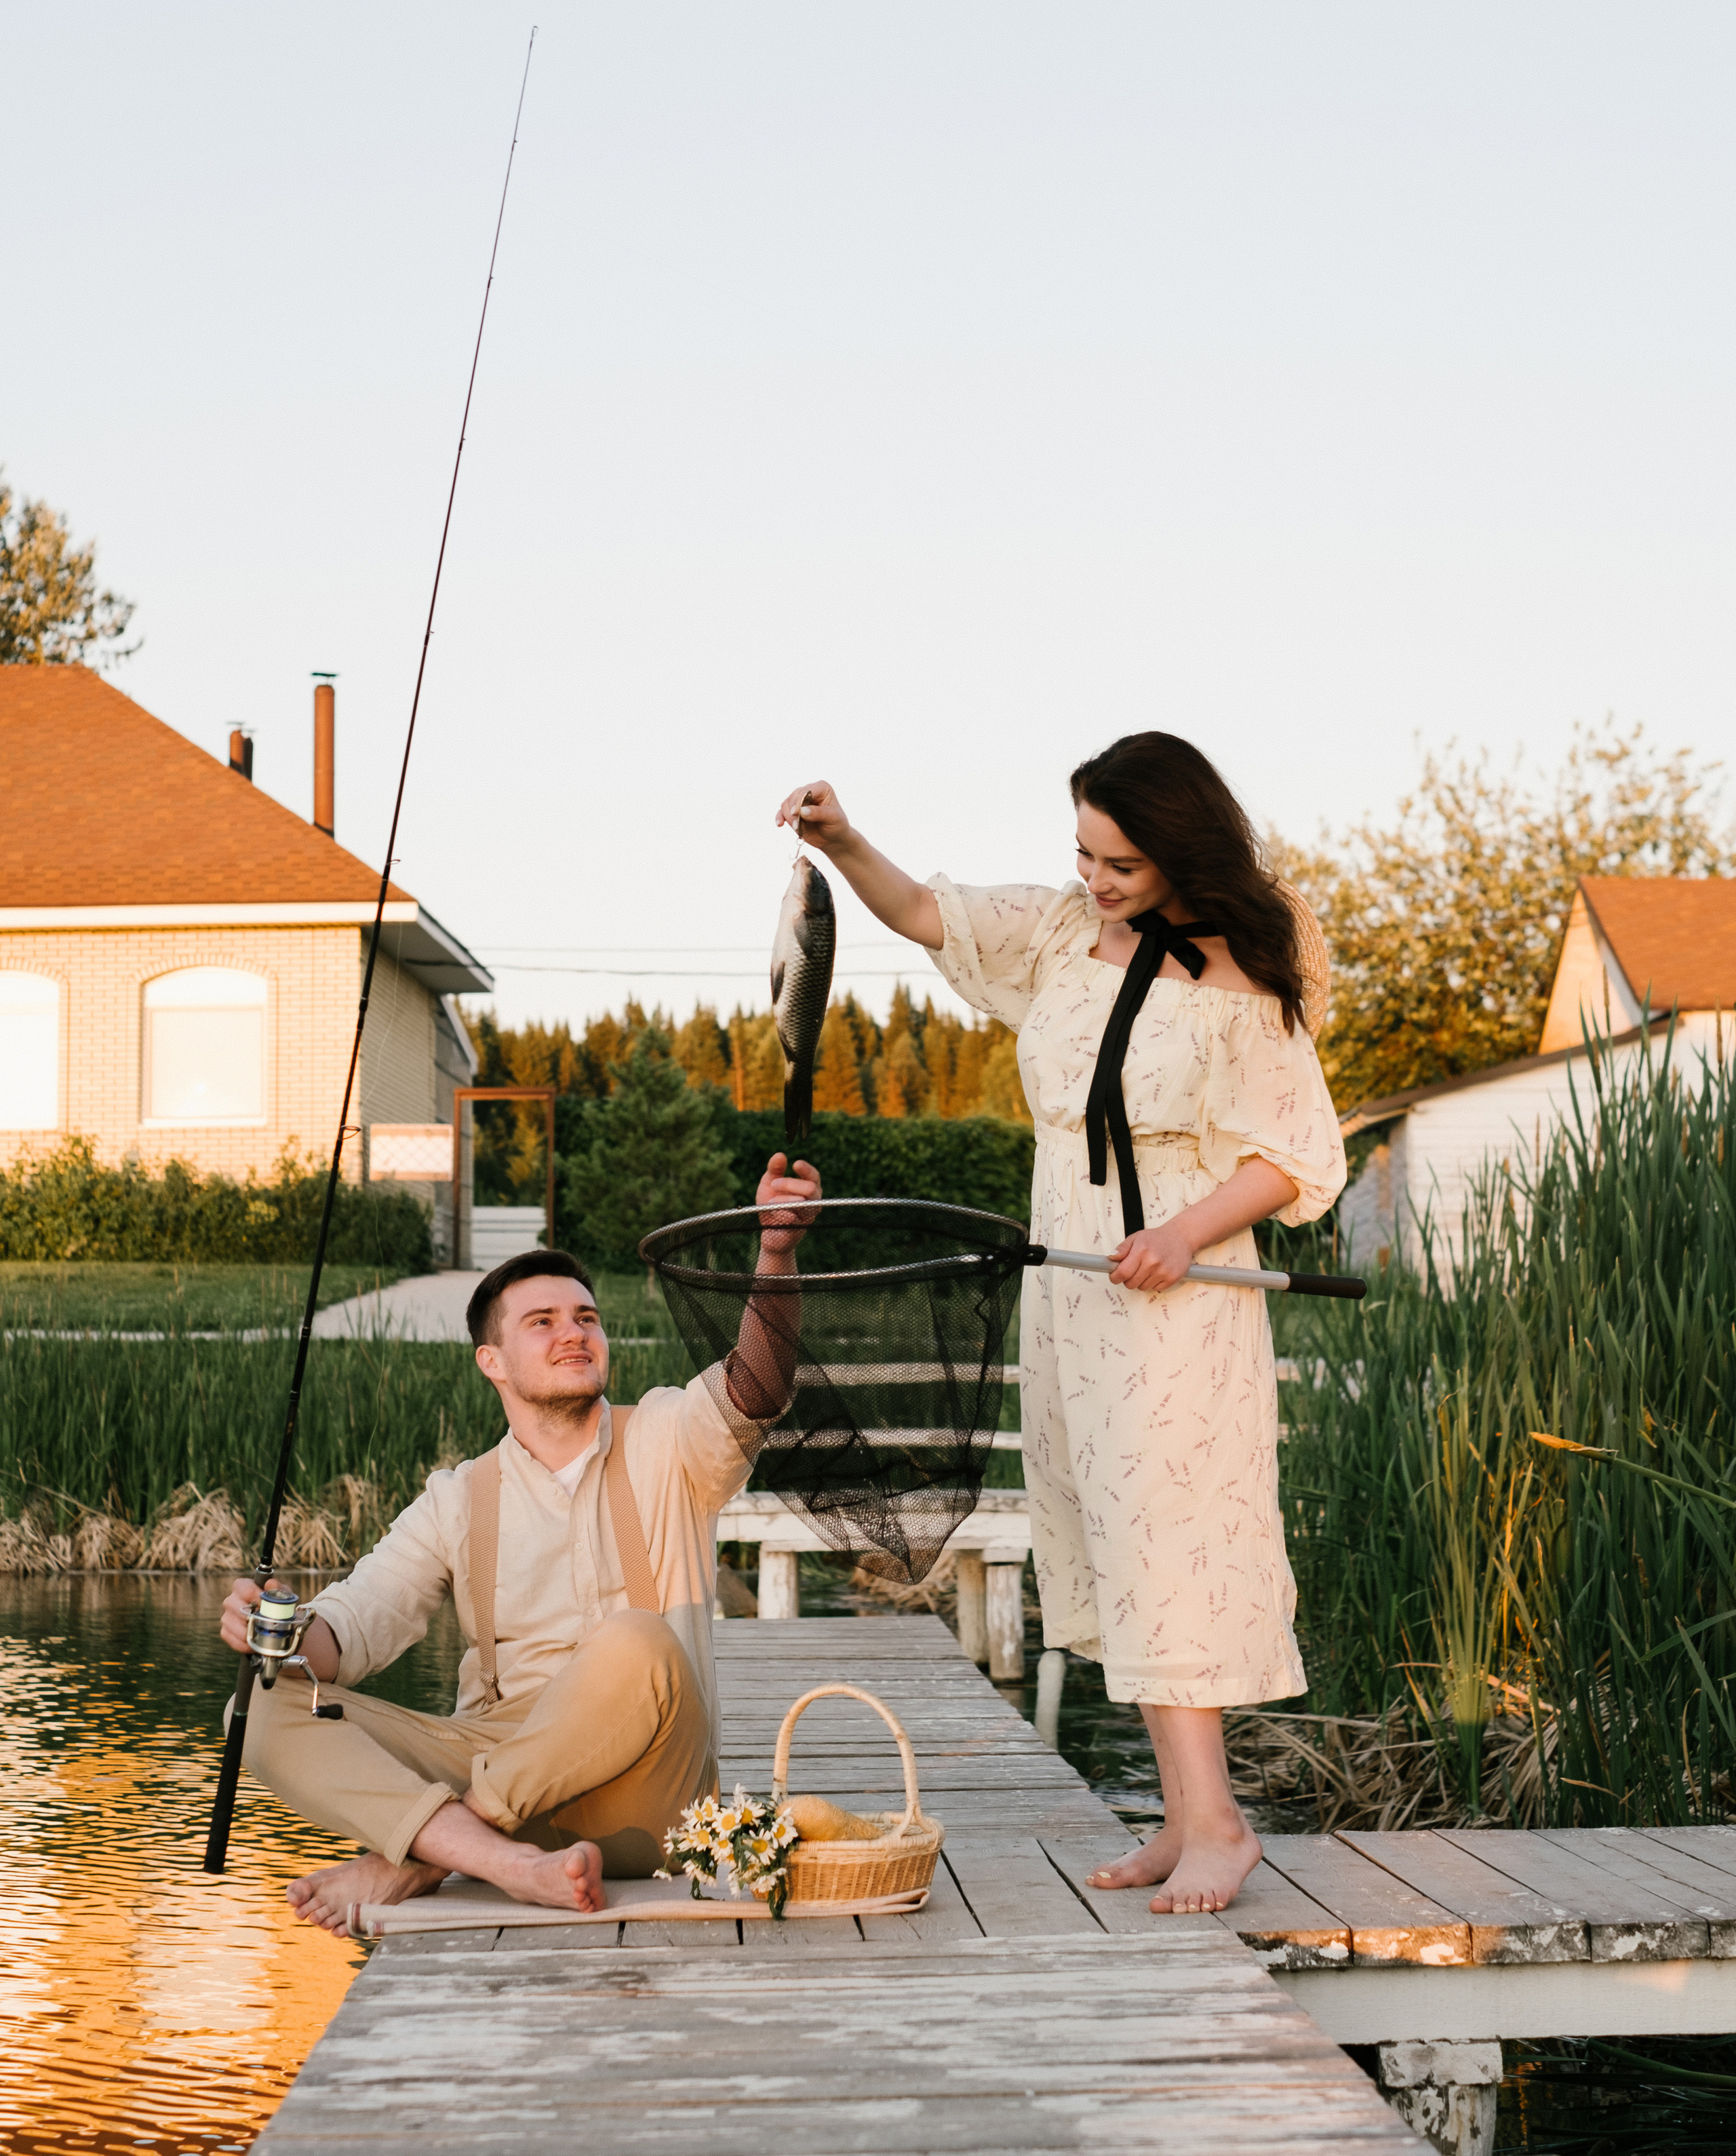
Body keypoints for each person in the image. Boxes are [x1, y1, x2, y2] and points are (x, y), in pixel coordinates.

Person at [776, 736, 1344, 1915]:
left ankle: (1221, 1826)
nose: (1096, 877)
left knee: (1172, 1537)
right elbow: (928, 913)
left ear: (1182, 849)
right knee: (1109, 1535)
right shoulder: (1057, 935)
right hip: (1073, 1285)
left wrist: (1183, 1233)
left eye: (1121, 862)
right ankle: (1180, 1818)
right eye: (1084, 852)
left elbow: (1292, 1155)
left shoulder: (1243, 975)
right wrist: (843, 840)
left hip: (1179, 1295)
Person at [219, 1153, 817, 1936]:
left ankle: (423, 1858)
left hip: (645, 1802)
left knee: (638, 1639)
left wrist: (775, 1253)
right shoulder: (456, 1497)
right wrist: (280, 1633)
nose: (574, 1333)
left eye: (586, 1318)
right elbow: (351, 1630)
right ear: (491, 1362)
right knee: (257, 1706)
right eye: (544, 1322)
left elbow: (754, 1391)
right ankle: (510, 1864)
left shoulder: (668, 1434)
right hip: (499, 1771)